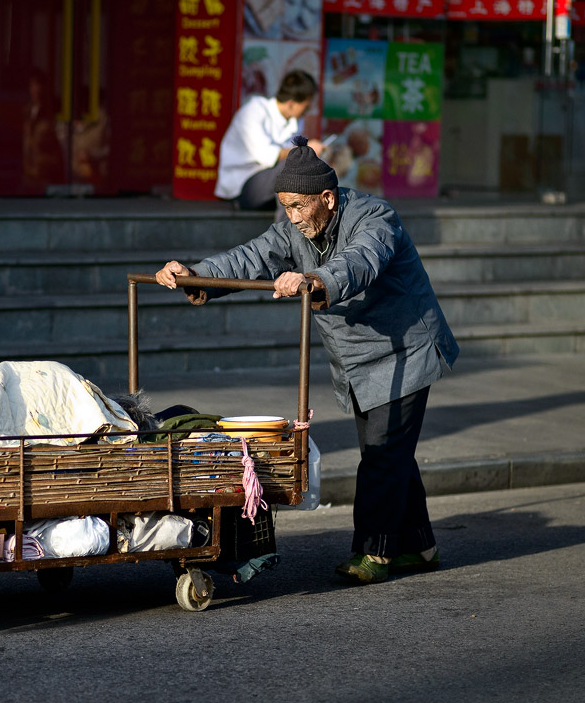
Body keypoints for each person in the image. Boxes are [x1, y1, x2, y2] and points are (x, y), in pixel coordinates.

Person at [156, 135, 458, 584]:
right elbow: (250, 257)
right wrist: (195, 274)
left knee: (383, 453)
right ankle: (420, 546)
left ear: (327, 198)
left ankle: (374, 552)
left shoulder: (375, 216)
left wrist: (314, 278)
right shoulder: (292, 229)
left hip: (405, 349)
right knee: (392, 452)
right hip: (358, 360)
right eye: (285, 207)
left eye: (298, 206)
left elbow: (360, 261)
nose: (292, 218)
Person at [214, 70, 325, 213]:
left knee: (310, 166)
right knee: (293, 163)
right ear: (291, 104)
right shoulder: (254, 111)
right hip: (242, 187)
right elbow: (267, 157)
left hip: (270, 187)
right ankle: (287, 233)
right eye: (306, 106)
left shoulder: (295, 122)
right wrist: (306, 149)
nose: (308, 111)